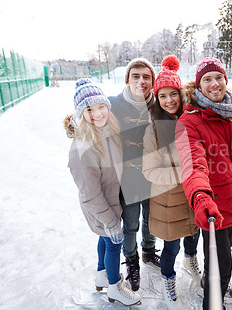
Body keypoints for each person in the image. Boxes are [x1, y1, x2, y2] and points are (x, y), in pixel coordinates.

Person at [175, 57, 232, 310]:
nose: (214, 84)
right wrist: (201, 198)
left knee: (223, 251)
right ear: (198, 85)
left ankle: (211, 283)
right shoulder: (189, 122)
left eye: (218, 78)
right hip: (213, 210)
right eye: (207, 79)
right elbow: (193, 165)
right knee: (221, 267)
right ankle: (212, 303)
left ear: (226, 80)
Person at [65, 78, 140, 306]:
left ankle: (102, 274)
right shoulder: (82, 148)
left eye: (101, 106)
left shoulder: (105, 131)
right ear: (81, 113)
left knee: (105, 240)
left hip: (110, 202)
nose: (97, 113)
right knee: (113, 243)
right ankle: (115, 286)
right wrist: (110, 220)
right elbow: (90, 193)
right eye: (89, 109)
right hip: (101, 207)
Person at [142, 56, 201, 309]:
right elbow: (149, 171)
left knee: (194, 237)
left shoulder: (193, 121)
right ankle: (168, 281)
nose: (169, 101)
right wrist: (184, 174)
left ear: (181, 94)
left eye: (173, 94)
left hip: (193, 196)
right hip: (168, 201)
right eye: (162, 95)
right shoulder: (153, 129)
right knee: (170, 247)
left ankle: (192, 262)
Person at [108, 58, 160, 291]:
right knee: (130, 224)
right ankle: (132, 261)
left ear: (153, 81)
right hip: (127, 179)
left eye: (146, 76)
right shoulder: (112, 104)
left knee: (151, 220)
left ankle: (149, 251)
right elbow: (88, 118)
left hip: (153, 176)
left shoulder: (160, 106)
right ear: (127, 79)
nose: (141, 81)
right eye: (136, 76)